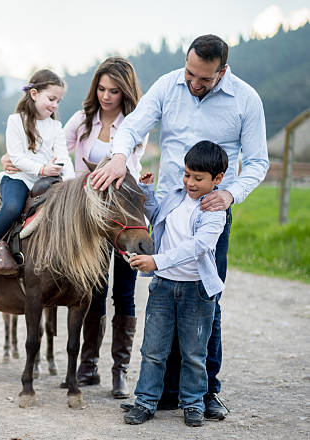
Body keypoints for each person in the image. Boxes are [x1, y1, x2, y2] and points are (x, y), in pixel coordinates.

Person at [91, 35, 269, 420]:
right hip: (168, 209)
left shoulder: (245, 100)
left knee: (205, 301)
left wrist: (231, 194)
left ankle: (205, 392)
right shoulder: (168, 85)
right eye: (190, 72)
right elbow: (132, 127)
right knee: (165, 297)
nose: (193, 82)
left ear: (222, 71)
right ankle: (165, 393)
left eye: (204, 78)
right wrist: (121, 158)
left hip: (211, 209)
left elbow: (257, 162)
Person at [2, 57, 148, 397]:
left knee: (124, 294)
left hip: (121, 207)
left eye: (114, 90)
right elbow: (55, 150)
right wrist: (14, 159)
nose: (107, 96)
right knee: (91, 290)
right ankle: (89, 364)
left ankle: (120, 370)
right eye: (101, 88)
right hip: (86, 213)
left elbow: (133, 165)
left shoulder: (136, 123)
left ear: (126, 91)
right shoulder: (82, 120)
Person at [124, 140, 228, 427]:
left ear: (217, 180)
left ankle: (193, 403)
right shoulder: (176, 195)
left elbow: (199, 245)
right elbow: (158, 216)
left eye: (198, 178)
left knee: (194, 352)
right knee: (153, 349)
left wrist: (157, 261)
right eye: (186, 175)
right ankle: (145, 401)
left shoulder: (215, 210)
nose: (190, 182)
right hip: (164, 287)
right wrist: (147, 191)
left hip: (196, 289)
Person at [0, 69, 74, 273]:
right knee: (12, 208)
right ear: (34, 94)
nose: (55, 105)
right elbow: (16, 157)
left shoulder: (55, 127)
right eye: (51, 98)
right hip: (18, 178)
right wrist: (43, 168)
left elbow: (64, 157)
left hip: (46, 181)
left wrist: (70, 182)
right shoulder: (15, 121)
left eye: (59, 101)